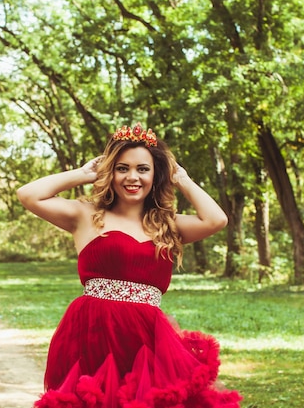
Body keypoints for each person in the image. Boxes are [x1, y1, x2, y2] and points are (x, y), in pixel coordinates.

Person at [17, 123, 242, 408]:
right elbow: (28, 194)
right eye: (122, 168)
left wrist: (180, 177)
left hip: (147, 338)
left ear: (155, 174)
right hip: (92, 330)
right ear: (110, 173)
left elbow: (216, 220)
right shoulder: (85, 215)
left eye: (143, 169)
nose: (132, 177)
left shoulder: (167, 224)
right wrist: (83, 174)